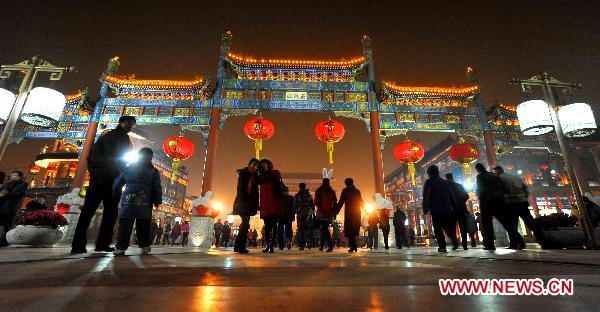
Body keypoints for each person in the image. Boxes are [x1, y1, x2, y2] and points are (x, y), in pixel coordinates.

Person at [71, 116, 136, 254]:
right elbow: (98, 157)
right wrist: (100, 172)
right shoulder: (112, 136)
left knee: (109, 213)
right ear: (121, 122)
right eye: (129, 123)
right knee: (92, 211)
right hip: (104, 178)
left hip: (109, 179)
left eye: (133, 124)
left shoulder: (120, 138)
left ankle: (100, 243)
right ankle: (81, 244)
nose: (131, 126)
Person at [112, 148, 162, 256]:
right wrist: (157, 201)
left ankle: (121, 247)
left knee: (125, 225)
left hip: (128, 200)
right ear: (150, 158)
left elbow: (118, 182)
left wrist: (115, 195)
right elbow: (157, 187)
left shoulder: (128, 168)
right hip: (145, 201)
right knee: (143, 225)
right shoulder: (153, 171)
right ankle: (144, 245)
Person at [493, 166, 547, 249]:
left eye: (494, 172)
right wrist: (524, 198)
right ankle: (544, 242)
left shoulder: (500, 179)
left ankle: (515, 244)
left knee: (512, 226)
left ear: (497, 171)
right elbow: (525, 189)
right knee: (531, 223)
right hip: (522, 202)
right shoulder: (515, 177)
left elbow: (501, 192)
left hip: (511, 203)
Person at [422, 165, 458, 253]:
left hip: (435, 209)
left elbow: (426, 196)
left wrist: (425, 207)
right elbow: (451, 196)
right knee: (446, 226)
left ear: (429, 173)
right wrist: (454, 206)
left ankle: (442, 246)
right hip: (446, 209)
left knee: (438, 228)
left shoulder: (429, 182)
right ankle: (454, 239)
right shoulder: (444, 182)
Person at [475, 163, 506, 250]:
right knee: (505, 221)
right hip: (497, 201)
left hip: (486, 202)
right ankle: (518, 240)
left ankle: (489, 245)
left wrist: (479, 196)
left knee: (487, 224)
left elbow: (480, 190)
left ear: (477, 169)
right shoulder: (493, 175)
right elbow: (501, 186)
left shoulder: (480, 177)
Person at [232, 158, 260, 253]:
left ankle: (238, 246)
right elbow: (241, 191)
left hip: (248, 204)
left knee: (245, 224)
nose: (254, 168)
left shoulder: (254, 176)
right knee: (245, 223)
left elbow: (255, 193)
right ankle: (240, 247)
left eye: (256, 167)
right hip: (243, 203)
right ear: (249, 165)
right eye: (253, 166)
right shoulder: (243, 175)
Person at [256, 159, 283, 253]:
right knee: (267, 226)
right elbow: (256, 181)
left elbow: (277, 182)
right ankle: (268, 245)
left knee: (274, 225)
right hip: (265, 204)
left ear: (269, 165)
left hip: (274, 202)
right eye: (262, 165)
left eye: (265, 164)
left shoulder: (274, 174)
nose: (264, 166)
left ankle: (271, 245)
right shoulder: (260, 177)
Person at [0, 171, 28, 247]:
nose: (12, 177)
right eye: (12, 175)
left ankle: (4, 241)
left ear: (19, 177)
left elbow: (19, 194)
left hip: (12, 207)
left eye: (15, 175)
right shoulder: (7, 184)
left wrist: (6, 194)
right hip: (3, 207)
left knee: (8, 224)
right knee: (2, 223)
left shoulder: (23, 184)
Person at [336, 178, 364, 253]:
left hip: (349, 212)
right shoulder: (357, 191)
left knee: (350, 229)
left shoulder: (345, 191)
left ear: (346, 183)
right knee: (354, 229)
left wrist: (336, 211)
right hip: (357, 212)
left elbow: (341, 202)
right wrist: (365, 210)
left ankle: (353, 246)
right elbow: (361, 201)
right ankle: (353, 246)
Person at [445, 173, 471, 250]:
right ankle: (465, 245)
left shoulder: (446, 187)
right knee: (463, 227)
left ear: (446, 178)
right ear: (452, 178)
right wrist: (461, 202)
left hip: (451, 210)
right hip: (461, 209)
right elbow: (466, 195)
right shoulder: (459, 185)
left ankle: (455, 243)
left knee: (451, 227)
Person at [314, 178, 337, 252]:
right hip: (329, 213)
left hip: (321, 212)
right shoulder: (332, 191)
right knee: (325, 228)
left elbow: (316, 202)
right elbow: (335, 202)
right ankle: (322, 246)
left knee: (324, 229)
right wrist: (334, 213)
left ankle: (330, 245)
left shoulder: (318, 191)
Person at [294, 183, 315, 250]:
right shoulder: (309, 196)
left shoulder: (297, 195)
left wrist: (294, 212)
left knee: (301, 229)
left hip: (300, 214)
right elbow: (313, 206)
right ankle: (309, 242)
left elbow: (294, 205)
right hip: (308, 214)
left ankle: (302, 244)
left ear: (299, 187)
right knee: (308, 229)